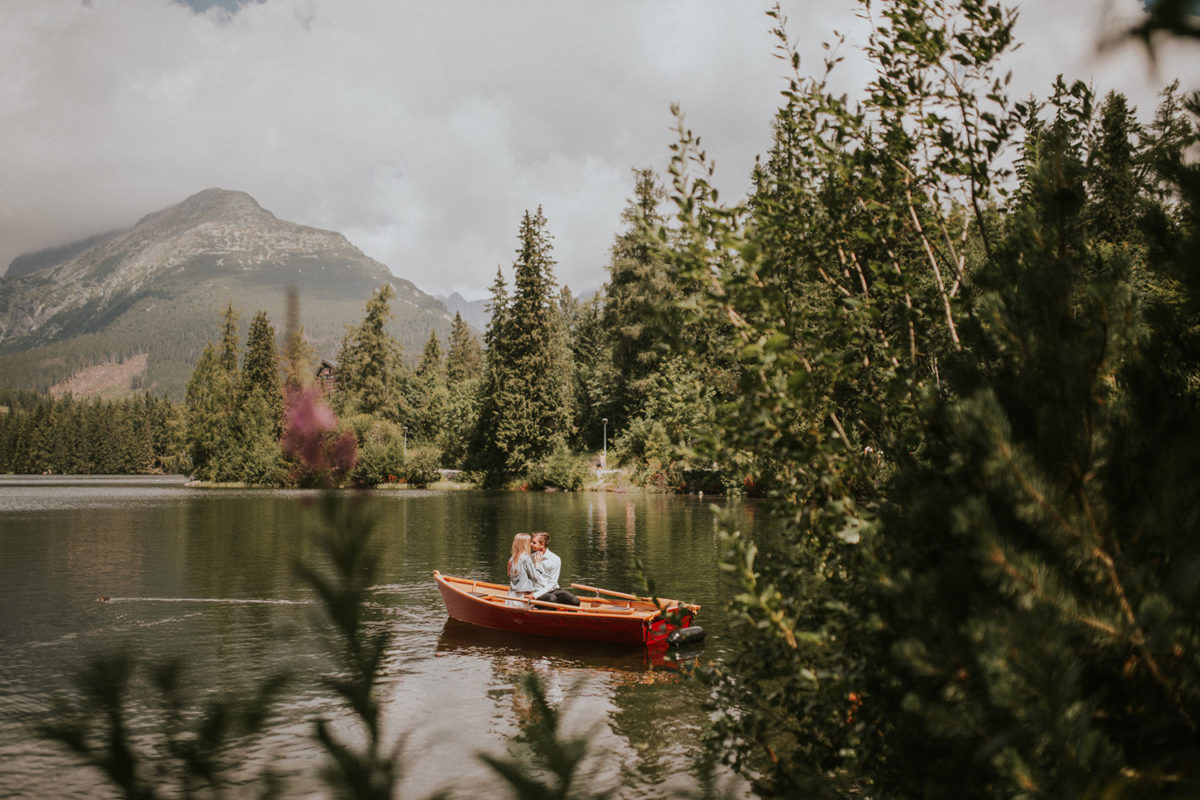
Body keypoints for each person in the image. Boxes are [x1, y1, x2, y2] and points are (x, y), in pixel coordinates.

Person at [531, 531, 580, 607]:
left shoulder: (555, 559)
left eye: (534, 542)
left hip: (553, 590)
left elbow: (552, 583)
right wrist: (535, 594)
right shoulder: (530, 558)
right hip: (537, 590)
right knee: (552, 599)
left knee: (575, 601)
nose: (531, 544)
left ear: (542, 544)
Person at [507, 532, 538, 608]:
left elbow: (510, 575)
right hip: (523, 596)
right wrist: (537, 563)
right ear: (525, 544)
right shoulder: (526, 558)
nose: (531, 544)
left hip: (512, 595)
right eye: (530, 542)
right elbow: (535, 577)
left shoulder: (512, 558)